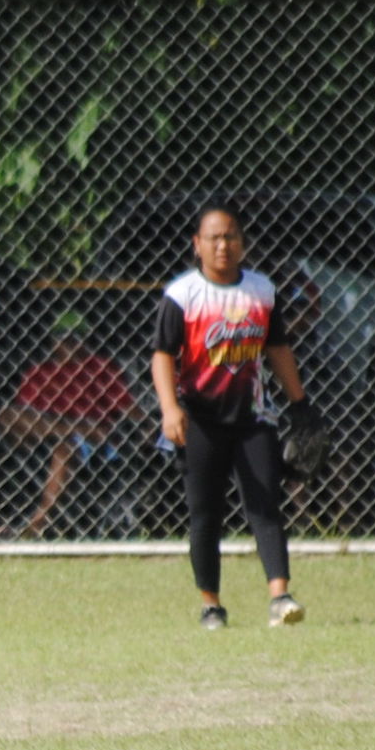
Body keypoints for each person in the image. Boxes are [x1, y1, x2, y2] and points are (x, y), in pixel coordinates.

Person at [150, 201, 317, 629]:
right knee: (205, 513)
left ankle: (280, 597)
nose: (223, 245)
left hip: (252, 417)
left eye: (231, 237)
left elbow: (277, 349)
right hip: (199, 419)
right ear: (197, 245)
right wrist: (169, 409)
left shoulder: (261, 291)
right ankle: (211, 604)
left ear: (242, 244)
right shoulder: (183, 294)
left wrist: (299, 403)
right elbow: (163, 356)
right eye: (213, 237)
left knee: (266, 503)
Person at [0, 311, 143, 538]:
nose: (69, 343)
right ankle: (69, 430)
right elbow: (23, 415)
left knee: (64, 447)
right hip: (44, 435)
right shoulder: (40, 372)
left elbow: (129, 411)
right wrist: (64, 426)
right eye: (62, 337)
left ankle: (37, 523)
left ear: (85, 340)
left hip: (87, 444)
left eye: (75, 337)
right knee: (8, 414)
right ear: (53, 341)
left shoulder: (99, 368)